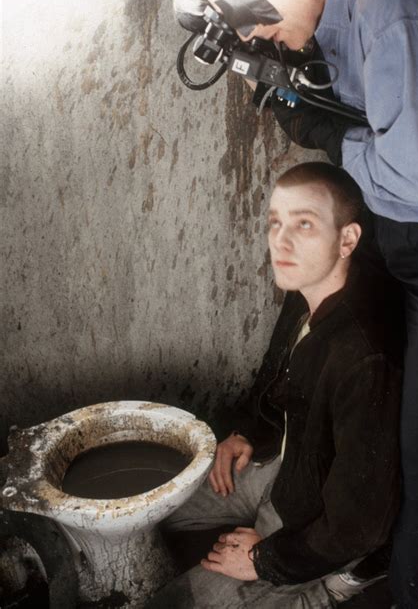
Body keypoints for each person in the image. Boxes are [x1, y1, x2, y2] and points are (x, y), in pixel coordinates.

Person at [164, 0, 418, 606]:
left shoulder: (395, 2)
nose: (254, 36)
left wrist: (329, 132)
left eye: (255, 18)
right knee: (345, 346)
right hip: (408, 230)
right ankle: (347, 534)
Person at [145, 161, 403, 608]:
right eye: (275, 222)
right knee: (149, 503)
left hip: (313, 517)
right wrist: (246, 430)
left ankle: (332, 587)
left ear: (348, 239)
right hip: (284, 467)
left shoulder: (364, 357)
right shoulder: (307, 284)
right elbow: (278, 380)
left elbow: (359, 523)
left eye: (304, 224)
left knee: (169, 605)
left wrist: (265, 561)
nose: (280, 241)